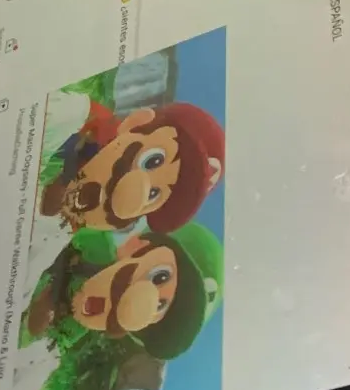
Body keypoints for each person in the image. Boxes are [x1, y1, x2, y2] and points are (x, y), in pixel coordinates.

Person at [22, 224, 224, 361]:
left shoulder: (78, 326)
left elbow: (48, 342)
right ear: (136, 246)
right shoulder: (97, 244)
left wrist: (39, 325)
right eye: (160, 277)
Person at [39, 100, 224, 233]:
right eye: (153, 161)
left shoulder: (61, 234)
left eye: (153, 195)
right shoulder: (70, 119)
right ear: (136, 123)